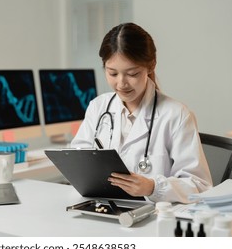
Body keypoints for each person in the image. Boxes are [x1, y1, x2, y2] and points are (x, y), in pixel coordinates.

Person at [71, 22, 212, 203]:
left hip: (154, 219)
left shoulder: (176, 115)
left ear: (151, 66)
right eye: (113, 74)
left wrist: (153, 187)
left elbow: (200, 186)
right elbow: (78, 159)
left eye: (132, 73)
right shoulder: (98, 107)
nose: (121, 83)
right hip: (104, 210)